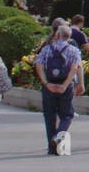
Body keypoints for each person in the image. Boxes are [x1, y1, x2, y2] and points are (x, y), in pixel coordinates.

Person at [34, 24, 82, 156]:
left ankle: (51, 146)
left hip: (49, 85)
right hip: (65, 86)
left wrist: (46, 83)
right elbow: (74, 68)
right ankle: (58, 138)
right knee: (66, 115)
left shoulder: (47, 49)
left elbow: (38, 65)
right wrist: (65, 85)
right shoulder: (74, 50)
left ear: (57, 35)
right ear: (69, 36)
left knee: (49, 115)